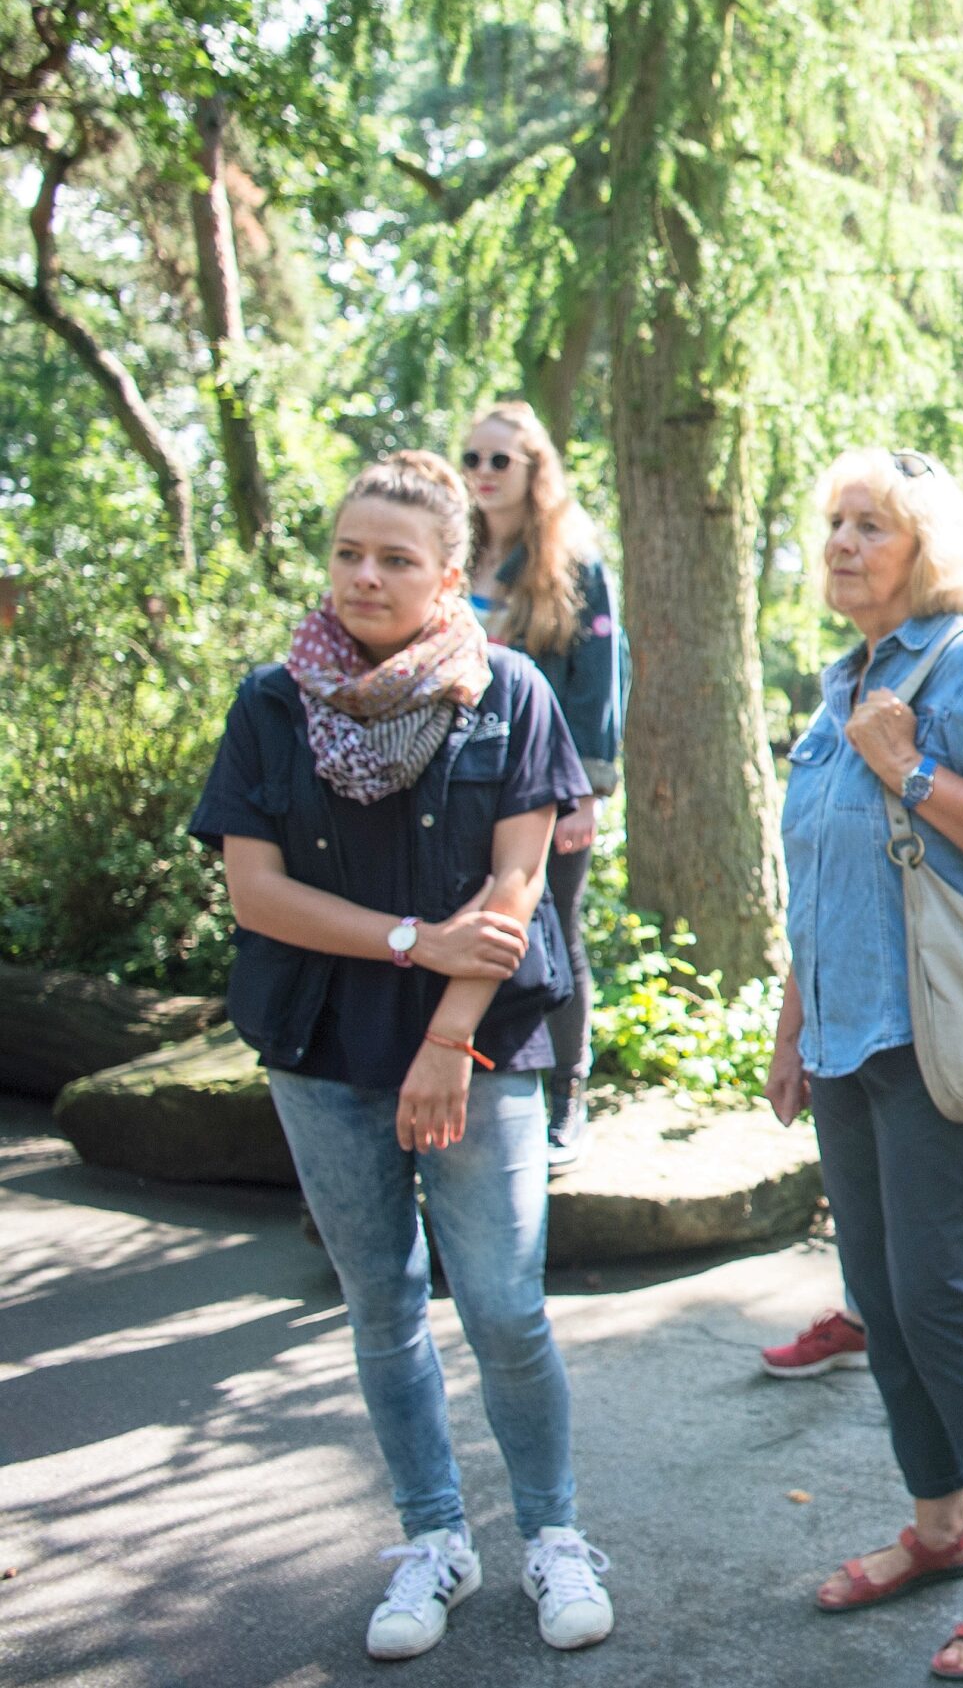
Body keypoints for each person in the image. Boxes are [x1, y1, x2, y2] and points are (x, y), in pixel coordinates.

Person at [189, 453, 615, 1660]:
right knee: (381, 1304)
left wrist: (445, 1034)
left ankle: (551, 1533)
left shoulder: (510, 692)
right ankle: (434, 1537)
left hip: (476, 1046)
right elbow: (257, 893)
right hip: (319, 1044)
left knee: (504, 1308)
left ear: (447, 577)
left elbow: (518, 886)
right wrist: (406, 940)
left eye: (394, 558)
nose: (363, 576)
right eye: (347, 553)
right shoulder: (274, 701)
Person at [762, 446, 963, 1679]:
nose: (842, 543)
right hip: (847, 1042)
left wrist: (912, 765)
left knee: (951, 1300)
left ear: (926, 548)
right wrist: (794, 1029)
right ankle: (943, 1525)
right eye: (834, 522)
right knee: (883, 1301)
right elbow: (821, 875)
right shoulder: (845, 677)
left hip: (935, 1038)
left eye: (871, 526)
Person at [458, 402, 627, 1173]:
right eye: (473, 458)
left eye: (501, 460)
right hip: (457, 782)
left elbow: (599, 677)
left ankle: (567, 1093)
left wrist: (588, 786)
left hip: (543, 778)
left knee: (552, 927)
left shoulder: (572, 559)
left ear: (534, 471)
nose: (484, 474)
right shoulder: (446, 550)